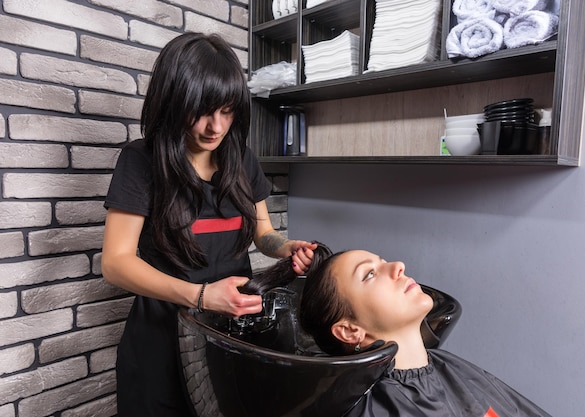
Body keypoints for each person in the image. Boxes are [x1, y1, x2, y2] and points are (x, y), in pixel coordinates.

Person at [101, 32, 316, 417]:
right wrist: (200, 296)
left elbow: (263, 234)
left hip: (229, 339)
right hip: (159, 345)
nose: (215, 127)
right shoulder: (141, 161)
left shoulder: (241, 158)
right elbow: (115, 262)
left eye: (227, 110)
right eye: (201, 111)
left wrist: (284, 248)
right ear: (173, 100)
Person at [298, 248, 553, 417]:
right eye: (370, 274)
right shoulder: (378, 408)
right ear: (350, 330)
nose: (398, 266)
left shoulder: (448, 368)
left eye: (383, 262)